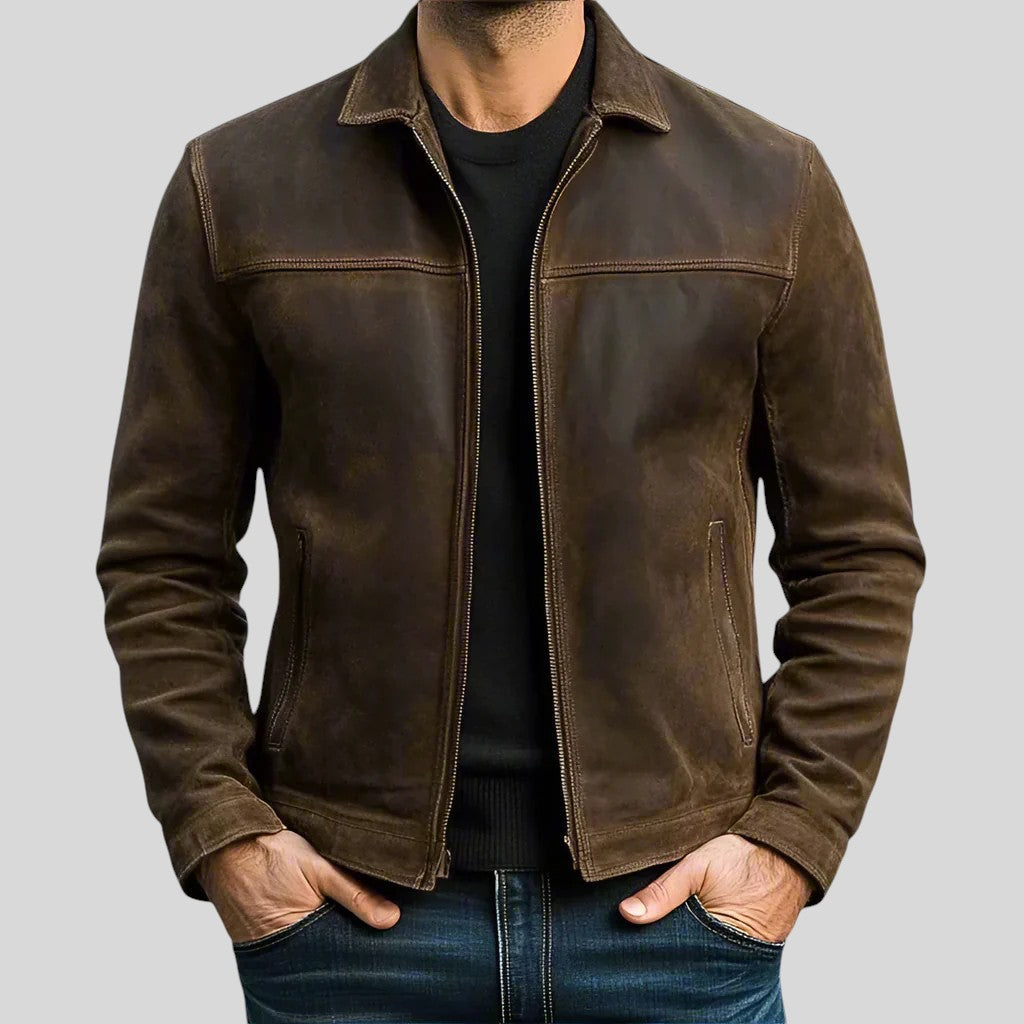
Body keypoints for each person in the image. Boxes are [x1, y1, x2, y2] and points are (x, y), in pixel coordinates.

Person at [95, 1, 925, 1021]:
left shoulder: (766, 187)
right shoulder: (240, 187)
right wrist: (223, 831)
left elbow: (857, 554)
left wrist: (791, 837)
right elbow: (162, 553)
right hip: (351, 935)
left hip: (673, 930)